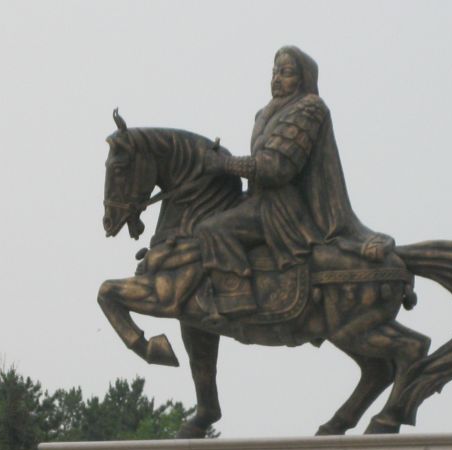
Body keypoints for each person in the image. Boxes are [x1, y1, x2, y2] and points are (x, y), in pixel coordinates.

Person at [166, 45, 393, 318]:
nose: (276, 79)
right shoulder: (264, 114)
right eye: (275, 72)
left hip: (281, 208)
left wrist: (225, 164)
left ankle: (237, 297)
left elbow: (276, 167)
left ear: (303, 78)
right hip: (259, 200)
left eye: (286, 73)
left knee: (212, 229)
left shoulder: (309, 108)